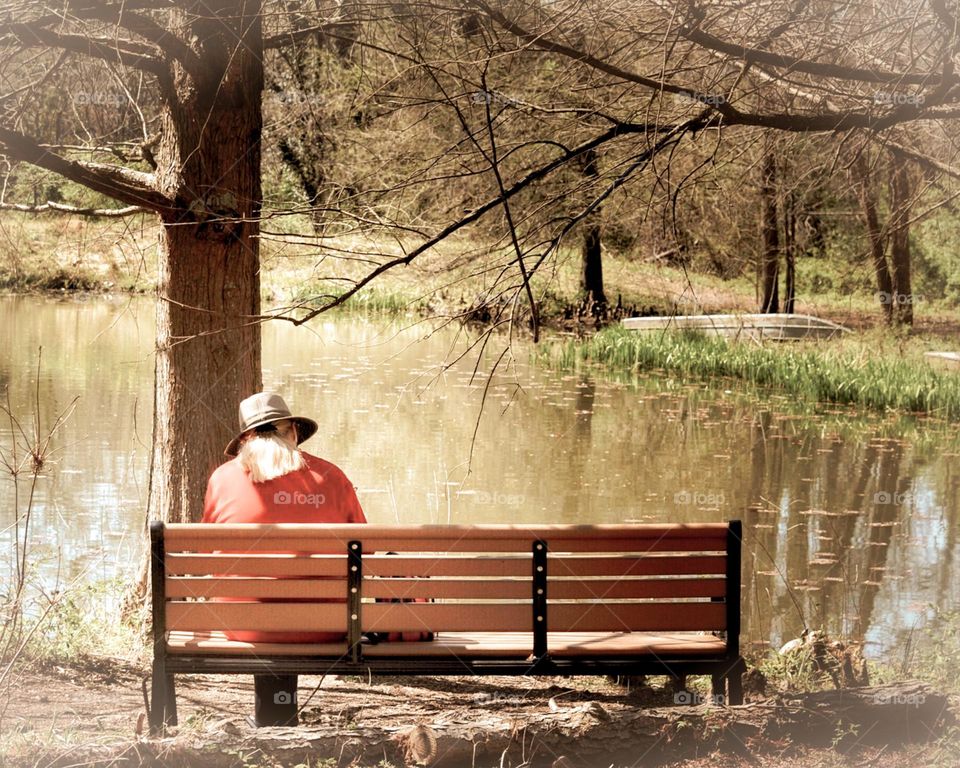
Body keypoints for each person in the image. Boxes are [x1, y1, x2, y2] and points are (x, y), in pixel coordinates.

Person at [203, 392, 366, 727]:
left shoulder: (223, 479)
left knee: (264, 603)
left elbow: (207, 554)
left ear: (246, 440)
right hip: (326, 625)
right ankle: (278, 715)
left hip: (243, 625)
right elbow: (366, 551)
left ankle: (274, 717)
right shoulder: (332, 477)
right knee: (294, 602)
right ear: (292, 431)